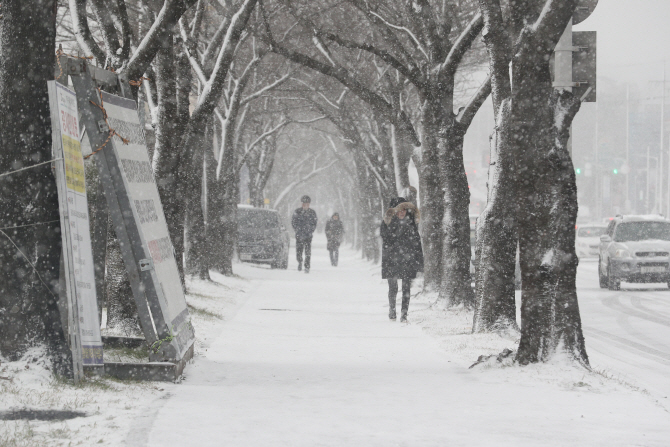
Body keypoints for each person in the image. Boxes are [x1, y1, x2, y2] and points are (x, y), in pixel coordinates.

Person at [380, 197, 423, 322]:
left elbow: (417, 243)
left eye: (404, 209)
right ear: (394, 211)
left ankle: (404, 314)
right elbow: (385, 240)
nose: (402, 212)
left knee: (406, 288)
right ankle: (392, 310)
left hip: (407, 261)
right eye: (399, 210)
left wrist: (418, 261)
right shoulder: (387, 223)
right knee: (393, 287)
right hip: (392, 261)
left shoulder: (411, 224)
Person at [291, 195, 318, 273]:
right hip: (299, 235)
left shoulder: (312, 213)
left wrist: (310, 231)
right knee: (299, 251)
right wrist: (297, 230)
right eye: (304, 203)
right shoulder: (297, 212)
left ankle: (307, 266)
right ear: (302, 204)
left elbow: (314, 223)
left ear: (309, 204)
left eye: (307, 204)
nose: (305, 205)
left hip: (308, 236)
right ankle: (299, 261)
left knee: (308, 252)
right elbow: (293, 222)